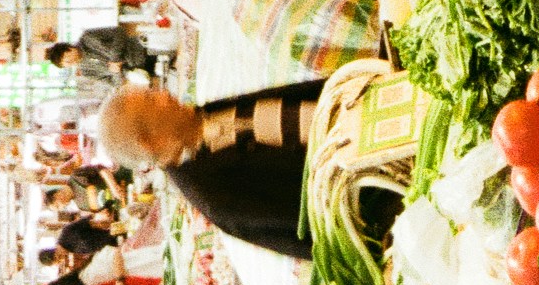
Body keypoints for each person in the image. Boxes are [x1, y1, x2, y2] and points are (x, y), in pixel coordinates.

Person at [95, 82, 395, 265]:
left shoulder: (205, 116)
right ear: (151, 141)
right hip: (392, 179)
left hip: (384, 115)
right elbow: (319, 230)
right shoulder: (213, 194)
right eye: (152, 100)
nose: (164, 94)